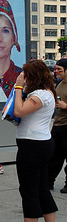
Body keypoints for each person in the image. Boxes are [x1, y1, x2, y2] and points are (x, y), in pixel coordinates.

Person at [13, 60, 58, 222]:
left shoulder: (38, 96)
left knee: (29, 190)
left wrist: (18, 87)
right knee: (41, 188)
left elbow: (19, 111)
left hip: (32, 145)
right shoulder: (48, 92)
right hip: (41, 142)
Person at [48, 58, 67, 194]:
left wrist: (65, 106)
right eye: (55, 69)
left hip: (66, 125)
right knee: (54, 156)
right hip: (57, 124)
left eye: (59, 70)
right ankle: (48, 181)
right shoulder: (59, 84)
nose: (56, 72)